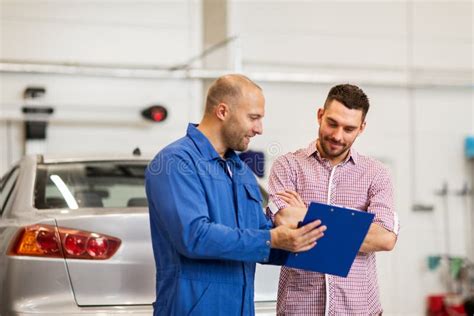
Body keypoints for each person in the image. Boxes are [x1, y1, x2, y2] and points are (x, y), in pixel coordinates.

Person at [145, 74, 327, 316]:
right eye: (253, 118)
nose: (259, 129)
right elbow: (194, 236)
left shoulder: (240, 171)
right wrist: (273, 239)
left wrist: (303, 234)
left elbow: (261, 236)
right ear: (222, 111)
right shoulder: (176, 162)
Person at [267, 84, 400, 315]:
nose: (338, 136)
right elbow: (286, 219)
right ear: (320, 115)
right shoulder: (287, 166)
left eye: (349, 129)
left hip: (358, 309)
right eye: (332, 123)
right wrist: (355, 225)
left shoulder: (376, 174)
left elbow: (385, 238)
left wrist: (307, 216)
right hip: (299, 308)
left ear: (362, 128)